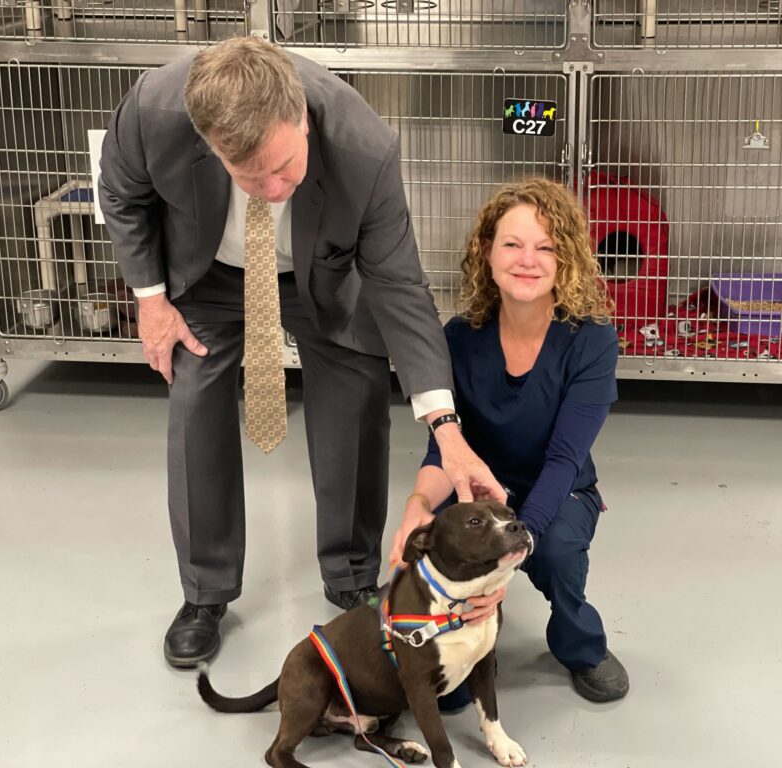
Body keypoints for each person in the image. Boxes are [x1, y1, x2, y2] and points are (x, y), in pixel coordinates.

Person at [97, 37, 505, 669]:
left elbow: (398, 286)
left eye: (284, 168)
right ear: (210, 144)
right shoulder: (154, 110)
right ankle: (204, 593)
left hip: (326, 279)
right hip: (208, 278)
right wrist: (151, 298)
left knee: (354, 405)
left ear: (302, 120)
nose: (270, 190)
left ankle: (350, 576)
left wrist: (446, 430)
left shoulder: (363, 147)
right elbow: (121, 195)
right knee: (195, 404)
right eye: (247, 176)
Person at [389, 178, 629, 703]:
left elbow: (565, 459)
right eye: (513, 244)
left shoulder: (592, 341)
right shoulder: (458, 337)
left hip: (559, 490)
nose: (528, 260)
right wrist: (418, 505)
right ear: (487, 252)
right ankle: (461, 641)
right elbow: (444, 450)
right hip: (476, 491)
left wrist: (511, 556)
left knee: (558, 553)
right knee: (447, 697)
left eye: (546, 247)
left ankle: (579, 642)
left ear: (566, 259)